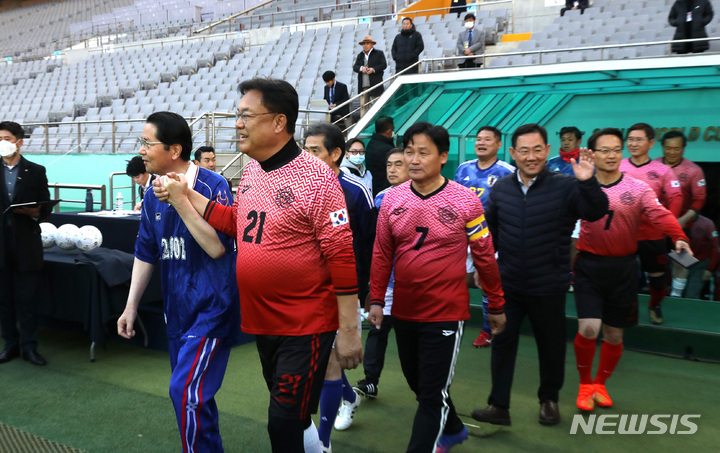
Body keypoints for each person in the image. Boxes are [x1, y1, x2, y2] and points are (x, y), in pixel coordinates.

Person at [155, 79, 363, 453]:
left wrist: (349, 331)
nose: (237, 123)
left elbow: (343, 258)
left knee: (281, 425)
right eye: (238, 115)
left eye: (245, 115)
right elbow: (238, 222)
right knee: (295, 418)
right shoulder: (252, 172)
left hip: (306, 325)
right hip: (263, 322)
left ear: (279, 122)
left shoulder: (318, 178)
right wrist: (185, 195)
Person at [369, 122, 506, 453]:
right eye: (409, 151)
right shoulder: (391, 200)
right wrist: (375, 299)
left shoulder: (465, 201)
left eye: (423, 152)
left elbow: (485, 257)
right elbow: (382, 252)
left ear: (443, 156)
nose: (413, 159)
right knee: (418, 383)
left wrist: (496, 305)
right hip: (403, 309)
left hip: (445, 312)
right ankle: (455, 429)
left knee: (430, 396)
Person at [116, 111, 240, 452]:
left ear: (174, 149)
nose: (141, 149)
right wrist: (130, 306)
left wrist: (181, 200)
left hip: (212, 309)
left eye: (147, 142)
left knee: (184, 390)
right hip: (177, 312)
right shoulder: (151, 194)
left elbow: (217, 247)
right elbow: (146, 252)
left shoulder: (211, 185)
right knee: (195, 398)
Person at [472, 123, 608, 427]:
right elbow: (489, 231)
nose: (530, 156)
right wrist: (484, 267)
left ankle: (549, 401)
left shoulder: (566, 185)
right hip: (508, 283)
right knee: (502, 344)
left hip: (549, 285)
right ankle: (499, 405)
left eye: (537, 150)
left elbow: (597, 211)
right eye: (524, 150)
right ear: (513, 153)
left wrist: (587, 182)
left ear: (547, 151)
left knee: (551, 346)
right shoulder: (502, 188)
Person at [572, 128, 691, 413]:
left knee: (614, 335)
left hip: (624, 269)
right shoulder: (578, 187)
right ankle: (585, 383)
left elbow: (660, 214)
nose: (612, 155)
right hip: (589, 266)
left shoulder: (637, 188)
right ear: (591, 154)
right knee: (589, 328)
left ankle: (600, 384)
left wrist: (679, 236)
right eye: (604, 150)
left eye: (616, 149)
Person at [305, 123, 375, 452]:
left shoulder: (356, 192)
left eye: (315, 150)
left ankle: (323, 441)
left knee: (330, 360)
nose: (307, 157)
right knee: (317, 359)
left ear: (336, 154)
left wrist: (366, 291)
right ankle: (349, 396)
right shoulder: (299, 188)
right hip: (307, 290)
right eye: (304, 150)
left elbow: (370, 245)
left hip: (343, 292)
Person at [354, 147, 409, 399]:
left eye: (398, 164)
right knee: (377, 331)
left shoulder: (425, 197)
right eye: (389, 165)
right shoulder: (380, 197)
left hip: (414, 285)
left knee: (414, 340)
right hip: (386, 282)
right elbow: (375, 244)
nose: (392, 170)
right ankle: (370, 381)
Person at [454, 126, 514, 348]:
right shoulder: (463, 169)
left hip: (490, 239)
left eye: (487, 139)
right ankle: (454, 320)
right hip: (461, 238)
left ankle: (489, 330)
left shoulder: (507, 172)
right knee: (457, 280)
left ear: (498, 144)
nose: (481, 143)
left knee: (489, 284)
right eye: (478, 139)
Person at [619, 123, 682, 324]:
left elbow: (676, 197)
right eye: (630, 139)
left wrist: (668, 226)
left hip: (652, 235)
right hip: (622, 235)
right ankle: (628, 309)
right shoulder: (618, 166)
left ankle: (655, 305)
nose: (633, 143)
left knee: (657, 277)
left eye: (638, 139)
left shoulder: (663, 171)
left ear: (651, 143)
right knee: (623, 276)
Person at [0, 121, 51, 366]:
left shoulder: (36, 170)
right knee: (4, 300)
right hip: (1, 246)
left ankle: (29, 347)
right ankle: (10, 344)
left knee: (27, 300)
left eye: (7, 138)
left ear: (19, 141)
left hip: (26, 245)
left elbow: (45, 207)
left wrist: (34, 212)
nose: (2, 143)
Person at [655, 130, 707, 297]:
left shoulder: (694, 170)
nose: (672, 152)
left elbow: (700, 199)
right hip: (653, 225)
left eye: (676, 148)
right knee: (653, 262)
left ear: (683, 149)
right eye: (668, 148)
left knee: (681, 261)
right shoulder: (652, 166)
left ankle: (676, 296)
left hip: (681, 226)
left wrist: (683, 219)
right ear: (662, 147)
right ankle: (651, 293)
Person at [681, 214, 718, 299]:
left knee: (691, 294)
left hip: (700, 263)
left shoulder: (708, 224)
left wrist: (710, 269)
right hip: (681, 260)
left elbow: (715, 246)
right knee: (677, 292)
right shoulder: (677, 220)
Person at [353, 35, 387, 113]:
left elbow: (383, 65)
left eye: (367, 43)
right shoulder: (360, 55)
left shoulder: (379, 53)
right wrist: (362, 68)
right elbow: (355, 67)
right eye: (364, 44)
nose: (365, 45)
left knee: (377, 105)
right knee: (364, 107)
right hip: (364, 85)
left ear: (372, 44)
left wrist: (373, 69)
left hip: (375, 84)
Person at [365, 116, 395, 196]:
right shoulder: (386, 149)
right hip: (384, 190)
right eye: (393, 130)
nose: (393, 132)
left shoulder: (371, 143)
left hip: (374, 187)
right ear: (389, 131)